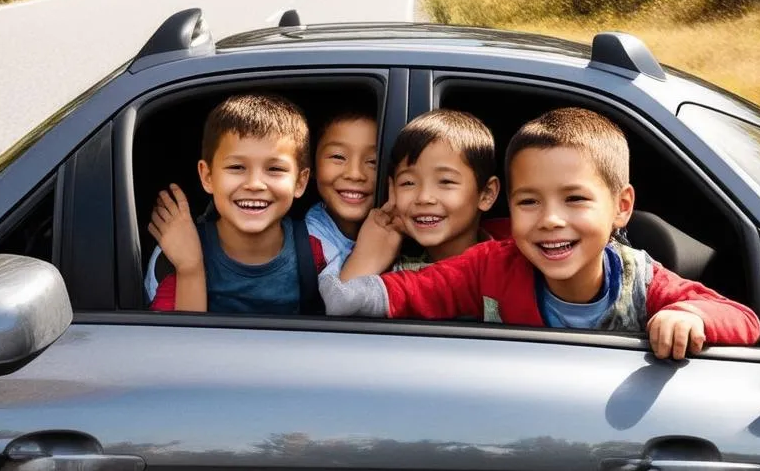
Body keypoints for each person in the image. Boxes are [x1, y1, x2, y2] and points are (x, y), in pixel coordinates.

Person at [320, 107, 760, 359]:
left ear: (621, 207)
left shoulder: (641, 279)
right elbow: (411, 291)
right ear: (509, 207)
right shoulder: (490, 265)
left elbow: (744, 319)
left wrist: (687, 316)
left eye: (574, 200)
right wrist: (351, 282)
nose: (550, 220)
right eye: (529, 202)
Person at [147, 93, 320, 314]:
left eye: (275, 169)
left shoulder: (317, 250)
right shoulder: (174, 252)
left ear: (300, 181)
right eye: (237, 167)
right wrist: (190, 268)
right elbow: (168, 344)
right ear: (207, 176)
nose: (255, 184)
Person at [338, 109, 507, 281]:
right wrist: (365, 260)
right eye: (408, 183)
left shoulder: (509, 269)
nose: (424, 197)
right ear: (392, 190)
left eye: (446, 182)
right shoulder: (393, 275)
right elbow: (343, 303)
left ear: (486, 194)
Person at [305, 110, 379, 277]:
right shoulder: (308, 247)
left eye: (373, 161)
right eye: (338, 157)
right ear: (312, 166)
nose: (355, 174)